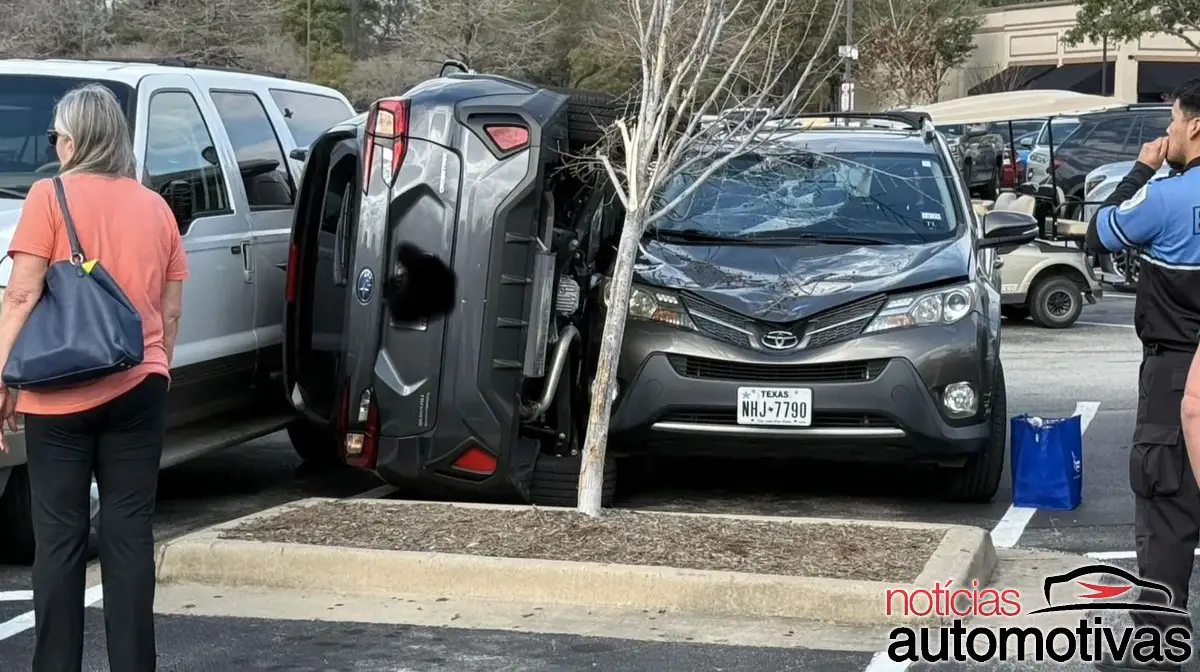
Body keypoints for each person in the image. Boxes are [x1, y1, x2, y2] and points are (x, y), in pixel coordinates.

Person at [0, 83, 188, 671]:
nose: (54, 145)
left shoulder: (47, 196)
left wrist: (3, 379)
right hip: (141, 385)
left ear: (74, 140)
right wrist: (158, 365)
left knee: (59, 539)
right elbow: (171, 307)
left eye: (56, 135)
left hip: (58, 395)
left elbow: (22, 294)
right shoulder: (155, 206)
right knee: (130, 533)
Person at [1087, 78, 1200, 672]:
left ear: (1196, 126)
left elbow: (1102, 232)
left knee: (1166, 504)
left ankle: (1156, 648)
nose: (1168, 133)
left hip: (1177, 371)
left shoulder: (1167, 197)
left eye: (1175, 121)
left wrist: (1140, 169)